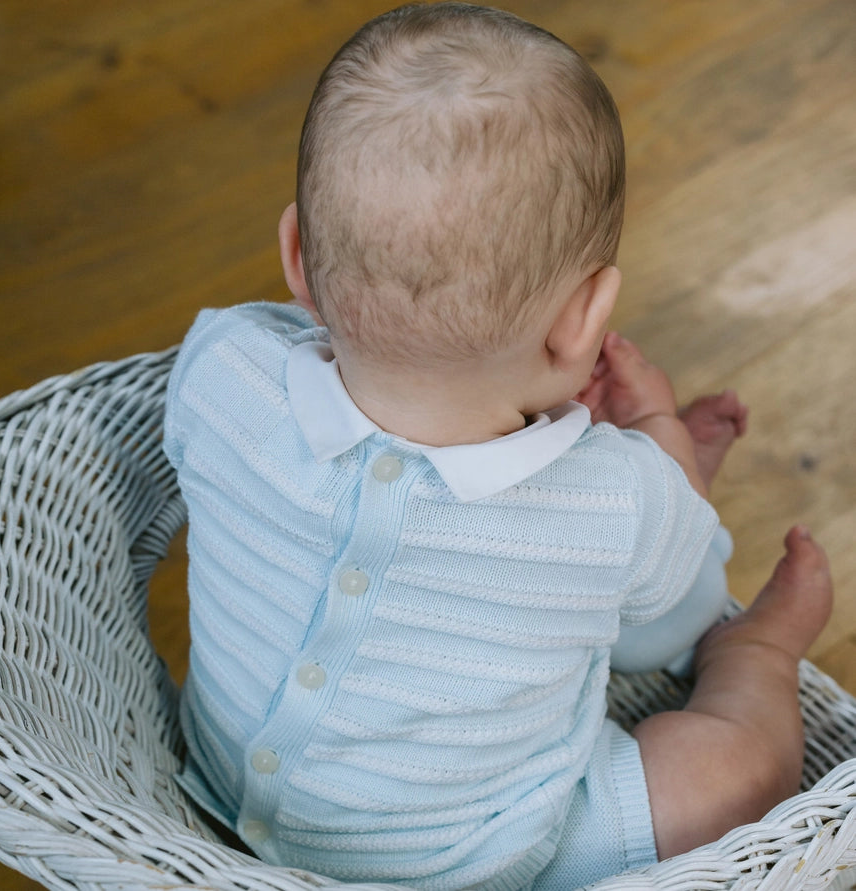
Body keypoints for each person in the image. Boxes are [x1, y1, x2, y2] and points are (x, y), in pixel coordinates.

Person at [163, 4, 833, 889]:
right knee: (732, 771)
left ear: (296, 255)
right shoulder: (609, 508)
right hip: (488, 857)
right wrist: (656, 447)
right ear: (586, 320)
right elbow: (660, 628)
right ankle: (759, 654)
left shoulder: (220, 367)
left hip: (215, 795)